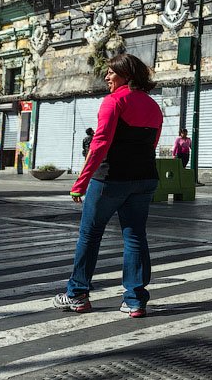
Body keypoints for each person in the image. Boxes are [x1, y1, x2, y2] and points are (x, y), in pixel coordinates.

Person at [52, 53, 163, 318]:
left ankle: (77, 294)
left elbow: (100, 144)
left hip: (110, 180)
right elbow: (153, 143)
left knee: (90, 236)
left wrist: (80, 182)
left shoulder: (114, 101)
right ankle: (135, 300)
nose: (107, 76)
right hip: (145, 178)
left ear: (126, 75)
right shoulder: (152, 105)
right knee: (135, 237)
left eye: (111, 72)